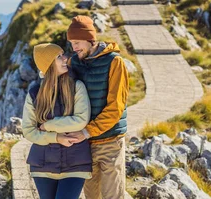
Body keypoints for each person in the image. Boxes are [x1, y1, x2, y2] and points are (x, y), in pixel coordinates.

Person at [54, 15, 130, 199]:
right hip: (84, 146)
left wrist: (88, 131)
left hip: (110, 142)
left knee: (113, 195)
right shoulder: (74, 62)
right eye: (71, 43)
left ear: (90, 39)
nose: (74, 48)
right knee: (92, 196)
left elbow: (116, 107)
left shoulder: (114, 62)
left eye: (78, 42)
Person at [22, 43, 93, 199]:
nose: (65, 58)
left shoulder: (76, 86)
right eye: (59, 56)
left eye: (63, 54)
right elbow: (28, 130)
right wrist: (55, 138)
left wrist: (48, 125)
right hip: (42, 164)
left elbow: (81, 120)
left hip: (75, 162)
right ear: (49, 65)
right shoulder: (35, 93)